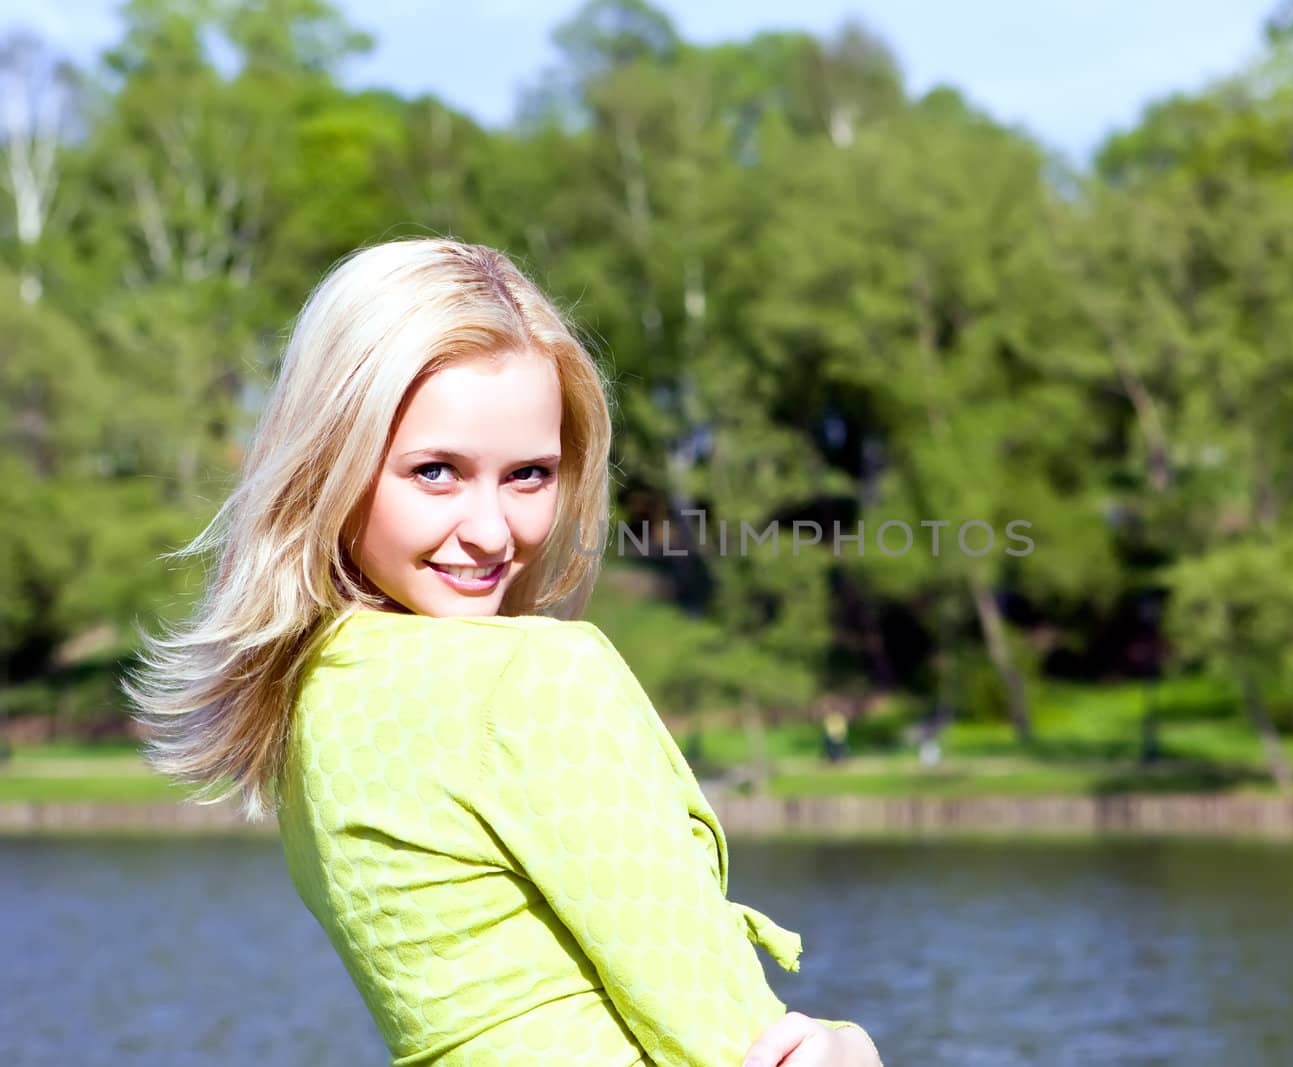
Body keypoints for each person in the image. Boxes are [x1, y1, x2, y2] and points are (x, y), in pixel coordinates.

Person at [125, 238, 883, 1067]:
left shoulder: (315, 696)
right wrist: (846, 1050)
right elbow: (738, 1040)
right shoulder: (531, 680)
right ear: (329, 462)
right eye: (437, 471)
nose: (492, 531)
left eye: (528, 474)